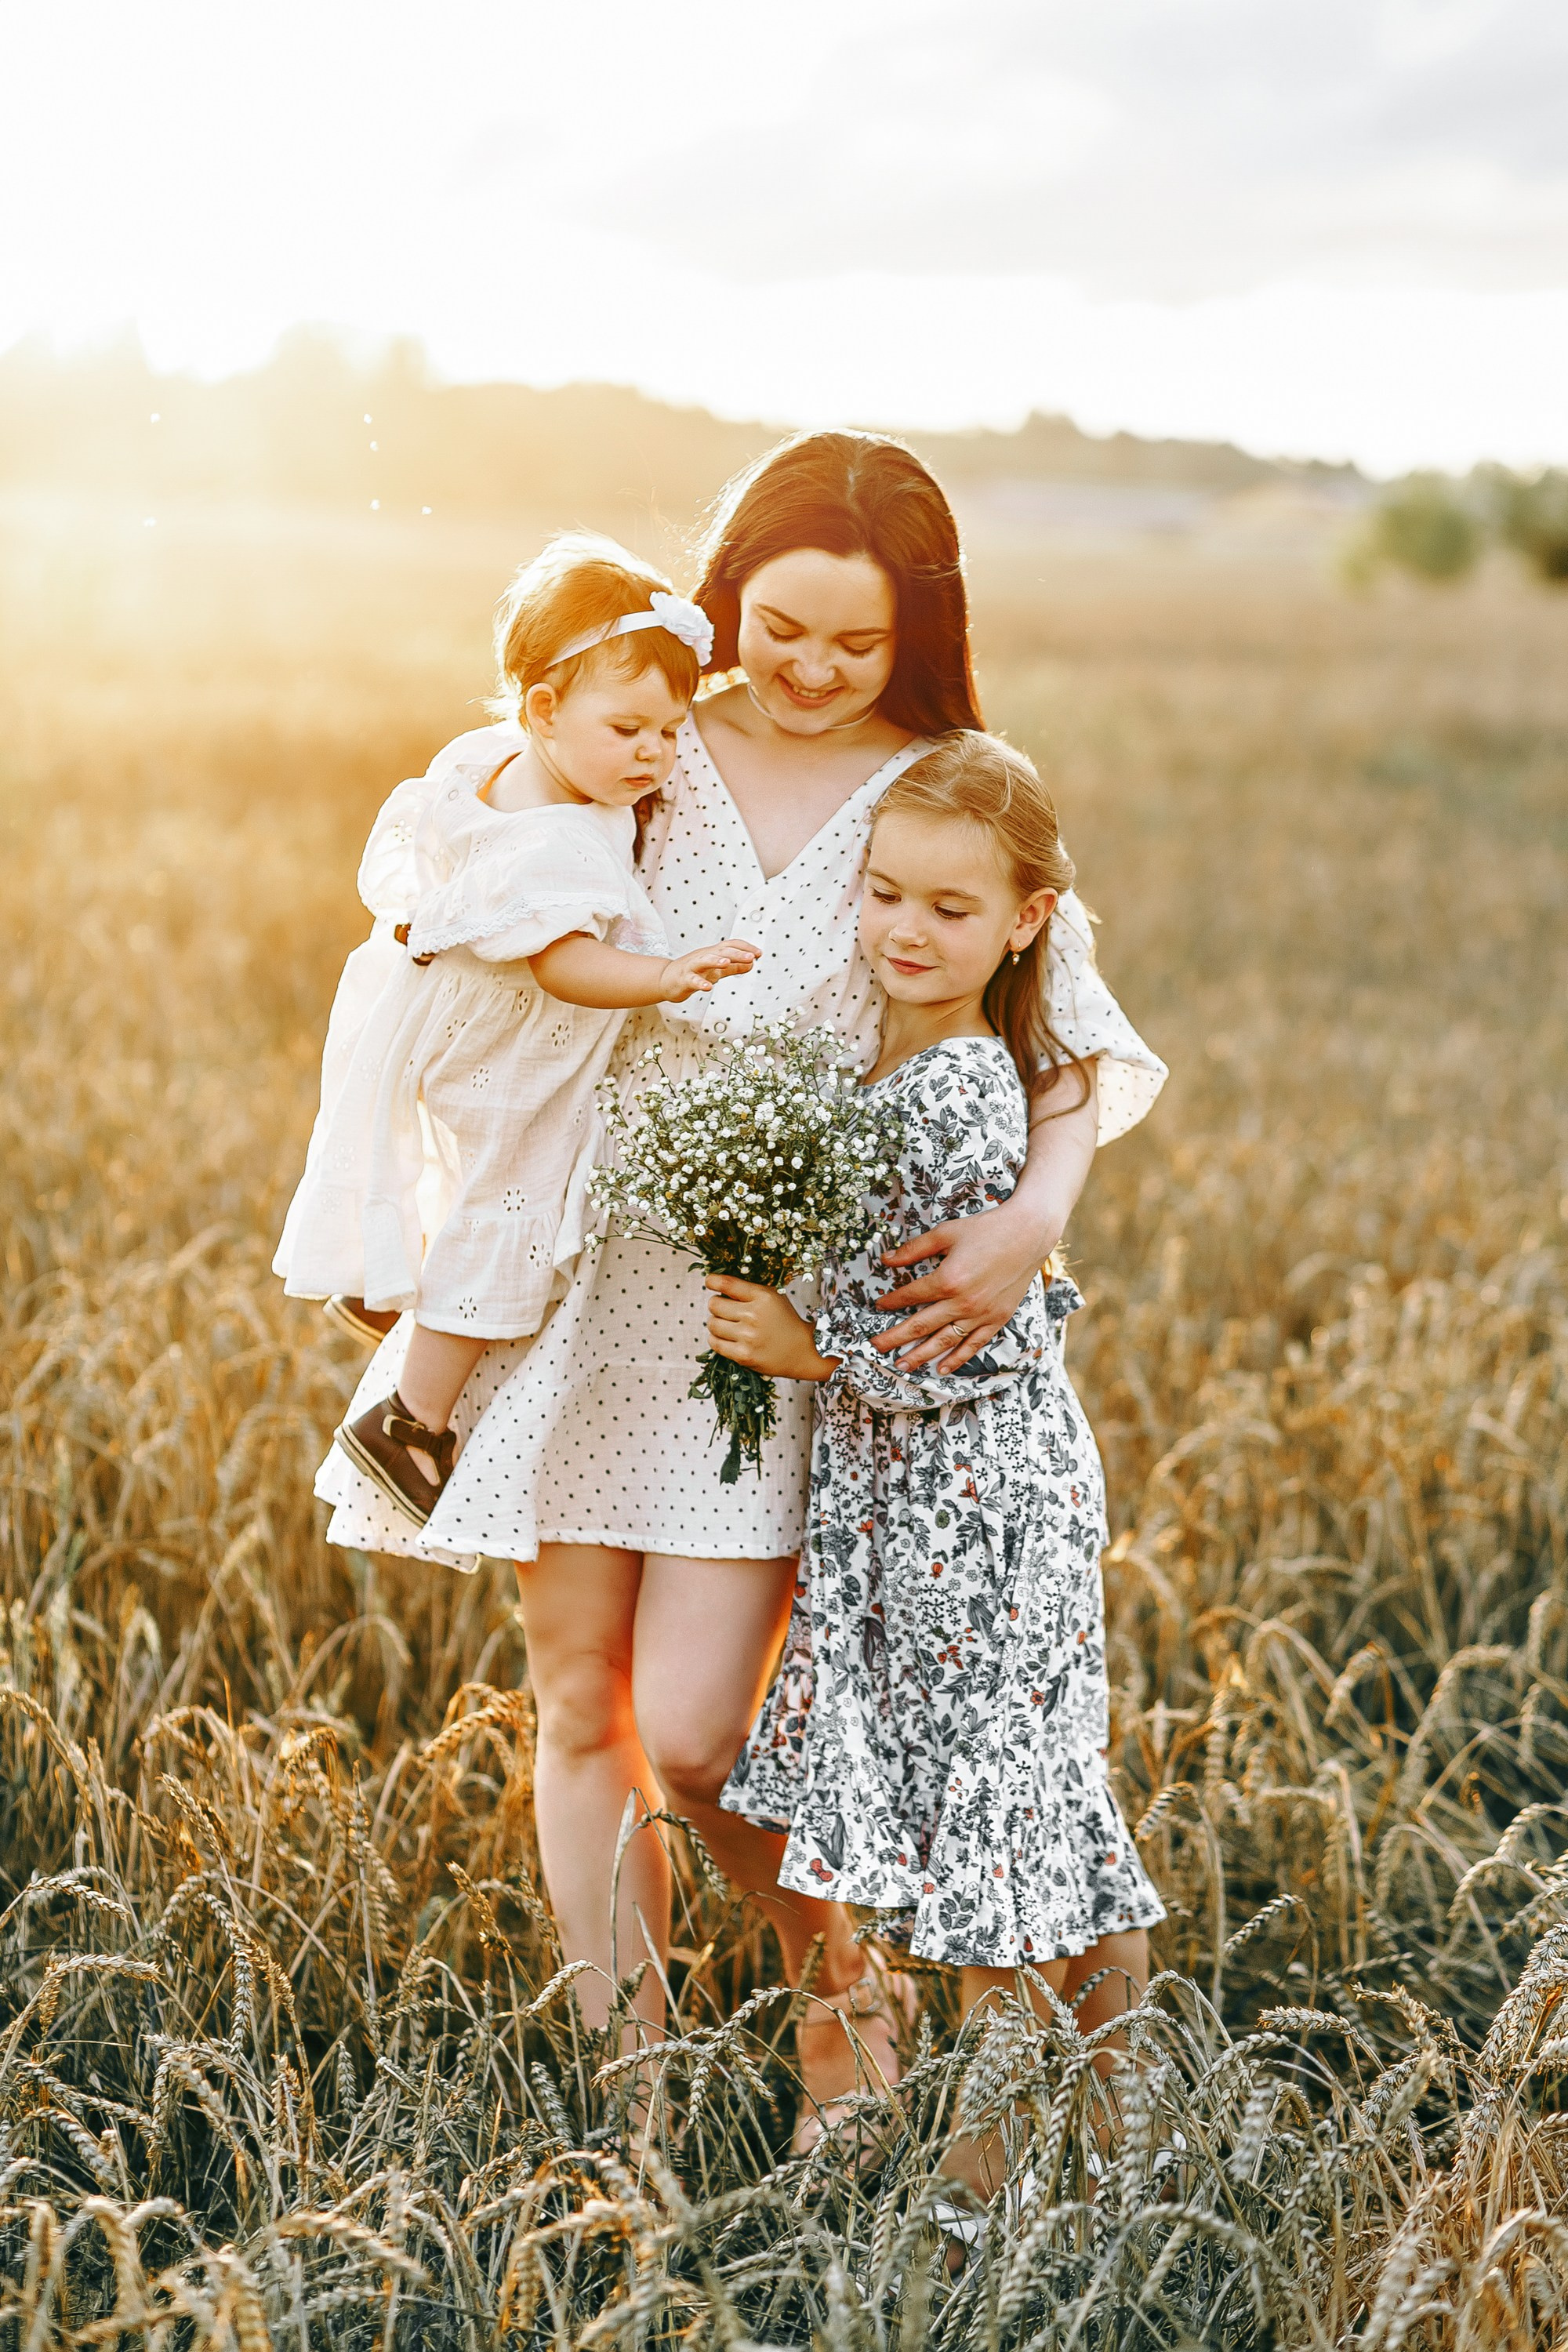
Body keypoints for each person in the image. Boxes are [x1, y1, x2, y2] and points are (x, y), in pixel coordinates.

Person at [316, 434, 1166, 2124]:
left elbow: (1061, 1045)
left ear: (914, 632)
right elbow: (446, 922)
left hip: (765, 1315)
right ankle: (628, 2094)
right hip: (569, 1273)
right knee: (576, 1700)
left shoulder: (942, 780)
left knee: (700, 1738)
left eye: (855, 642)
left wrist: (1028, 1221)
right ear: (721, 596)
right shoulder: (631, 738)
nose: (809, 670)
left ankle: (840, 1997)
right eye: (779, 626)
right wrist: (407, 1209)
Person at [708, 731, 1165, 2170]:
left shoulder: (969, 1087)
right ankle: (1115, 2129)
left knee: (1005, 1822)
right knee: (1030, 1807)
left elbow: (1006, 1332)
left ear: (1028, 921)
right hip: (919, 1499)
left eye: (951, 910)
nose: (907, 930)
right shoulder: (915, 1051)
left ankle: (995, 2191)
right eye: (886, 894)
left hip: (983, 1504)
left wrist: (818, 1345)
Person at [281, 533, 756, 1519]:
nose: (654, 756)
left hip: (443, 1019)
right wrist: (663, 975)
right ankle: (412, 1421)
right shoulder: (564, 839)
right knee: (511, 1204)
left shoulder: (489, 760)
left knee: (459, 1174)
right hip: (516, 1038)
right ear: (543, 707)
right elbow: (564, 965)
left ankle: (384, 1283)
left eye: (670, 733)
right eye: (627, 729)